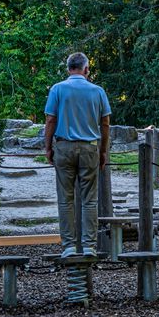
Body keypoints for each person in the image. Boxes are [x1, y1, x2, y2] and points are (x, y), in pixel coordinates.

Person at [44, 52, 111, 258]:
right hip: (90, 146)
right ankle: (89, 245)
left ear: (68, 69)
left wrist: (48, 147)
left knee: (66, 199)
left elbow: (50, 121)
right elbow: (105, 123)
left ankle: (69, 246)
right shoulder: (98, 91)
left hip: (64, 146)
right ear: (86, 69)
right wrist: (103, 151)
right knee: (90, 199)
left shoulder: (57, 89)